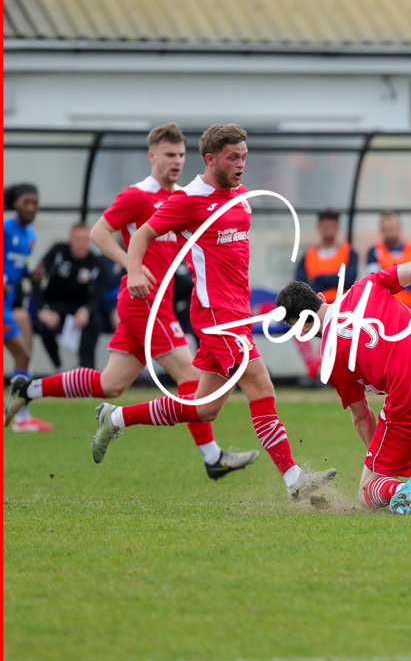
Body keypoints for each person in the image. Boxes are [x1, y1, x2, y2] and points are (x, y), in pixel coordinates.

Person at [89, 123, 334, 500]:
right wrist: (134, 269)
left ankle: (116, 417)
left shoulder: (239, 195)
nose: (240, 165)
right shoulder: (188, 200)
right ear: (211, 159)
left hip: (236, 312)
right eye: (233, 158)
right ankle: (293, 478)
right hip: (219, 317)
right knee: (261, 385)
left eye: (244, 157)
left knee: (203, 410)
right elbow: (141, 235)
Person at [8, 125, 258, 478]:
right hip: (144, 301)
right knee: (189, 373)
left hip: (161, 302)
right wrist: (132, 265)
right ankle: (212, 456)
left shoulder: (186, 198)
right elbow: (98, 232)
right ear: (152, 155)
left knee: (110, 384)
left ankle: (28, 387)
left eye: (181, 155)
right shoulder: (139, 195)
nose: (176, 161)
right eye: (169, 154)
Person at [275, 258, 411, 513]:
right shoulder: (366, 285)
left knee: (366, 490)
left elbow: (361, 416)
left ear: (301, 328)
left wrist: (378, 464)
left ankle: (399, 490)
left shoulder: (330, 355)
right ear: (321, 298)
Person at [3, 183, 51, 432]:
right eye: (26, 202)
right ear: (16, 204)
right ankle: (21, 417)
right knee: (23, 355)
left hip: (8, 306)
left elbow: (19, 267)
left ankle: (21, 416)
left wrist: (32, 273)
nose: (31, 207)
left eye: (35, 203)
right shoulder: (4, 228)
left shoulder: (30, 236)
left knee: (23, 355)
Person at [30, 223, 107, 371]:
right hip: (54, 306)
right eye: (77, 239)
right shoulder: (58, 251)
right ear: (70, 239)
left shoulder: (96, 263)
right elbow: (36, 277)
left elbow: (98, 296)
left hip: (79, 309)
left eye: (85, 239)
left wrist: (87, 309)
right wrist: (41, 310)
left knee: (95, 321)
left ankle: (85, 370)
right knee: (44, 326)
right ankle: (59, 368)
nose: (81, 244)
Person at [294, 210, 358, 383]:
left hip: (341, 306)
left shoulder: (348, 252)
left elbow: (349, 279)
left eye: (332, 225)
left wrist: (319, 278)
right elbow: (301, 285)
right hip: (314, 307)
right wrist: (335, 278)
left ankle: (323, 371)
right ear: (319, 227)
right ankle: (313, 369)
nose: (329, 229)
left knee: (333, 332)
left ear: (337, 227)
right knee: (298, 326)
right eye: (325, 225)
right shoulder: (308, 255)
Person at [364, 211, 411, 318]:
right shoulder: (374, 251)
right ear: (381, 230)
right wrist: (407, 277)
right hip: (384, 306)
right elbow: (376, 282)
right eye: (387, 228)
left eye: (393, 227)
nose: (391, 231)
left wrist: (389, 277)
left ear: (400, 227)